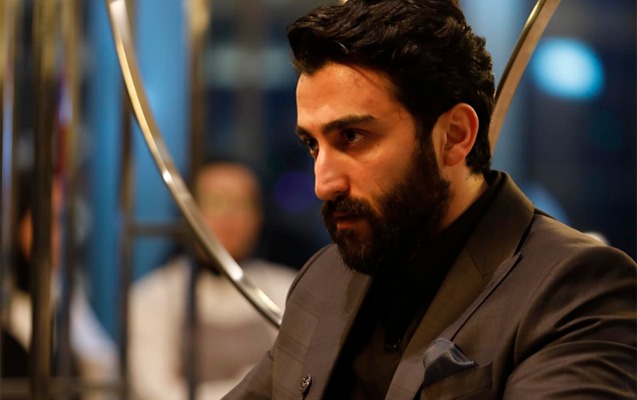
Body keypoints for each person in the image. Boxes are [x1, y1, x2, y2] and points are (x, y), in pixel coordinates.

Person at [224, 1, 637, 399]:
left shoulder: (574, 288)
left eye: (352, 137)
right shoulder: (325, 277)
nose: (323, 184)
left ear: (455, 135)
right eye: (313, 145)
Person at [128, 160, 297, 400]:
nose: (229, 216)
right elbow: (156, 392)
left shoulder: (289, 288)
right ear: (187, 213)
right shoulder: (152, 297)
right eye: (215, 203)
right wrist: (257, 387)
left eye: (242, 204)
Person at [3, 174, 119, 398]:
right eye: (49, 219)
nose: (58, 234)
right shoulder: (9, 303)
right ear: (17, 219)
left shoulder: (60, 293)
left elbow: (105, 364)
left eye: (61, 221)